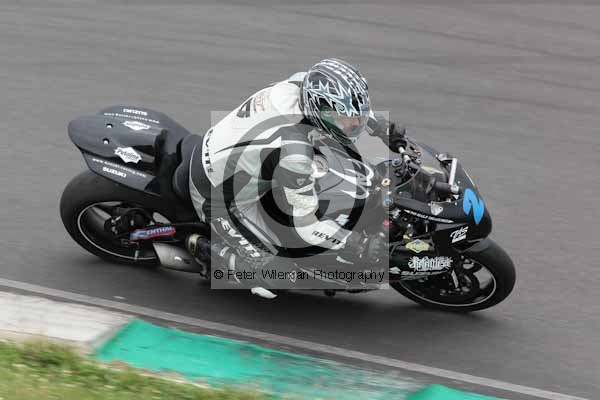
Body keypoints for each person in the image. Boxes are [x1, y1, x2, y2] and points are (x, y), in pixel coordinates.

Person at [188, 58, 406, 298]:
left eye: (358, 116)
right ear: (322, 110)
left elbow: (349, 105)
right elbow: (307, 227)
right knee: (277, 275)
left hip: (237, 160)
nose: (355, 123)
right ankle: (208, 252)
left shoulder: (303, 84)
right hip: (218, 198)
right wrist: (356, 243)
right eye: (348, 118)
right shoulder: (294, 153)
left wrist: (380, 127)